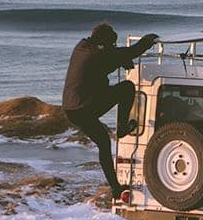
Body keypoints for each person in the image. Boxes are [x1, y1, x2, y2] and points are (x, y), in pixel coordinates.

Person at [62, 22, 158, 197]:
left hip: (72, 109)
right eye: (111, 44)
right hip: (85, 107)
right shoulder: (99, 55)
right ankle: (121, 127)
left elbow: (109, 60)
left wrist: (121, 60)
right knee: (127, 88)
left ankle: (115, 189)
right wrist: (146, 41)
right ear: (104, 44)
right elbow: (129, 52)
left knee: (104, 144)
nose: (113, 47)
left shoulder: (82, 47)